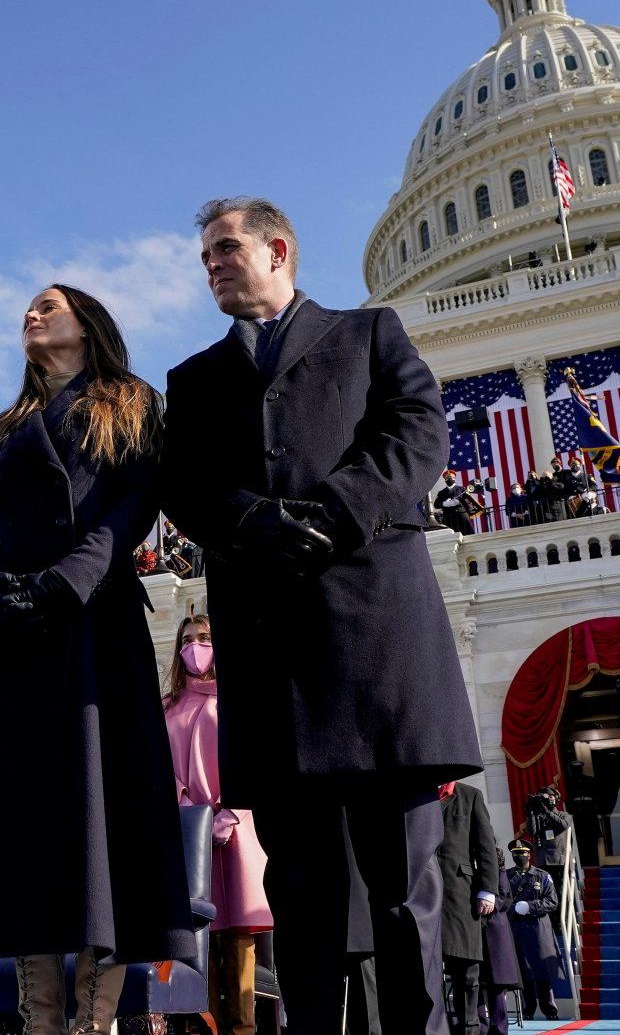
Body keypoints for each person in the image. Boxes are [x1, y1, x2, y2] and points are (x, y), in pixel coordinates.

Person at [160, 197, 482, 1034]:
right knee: (297, 894)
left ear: (278, 250)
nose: (213, 265)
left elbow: (416, 435)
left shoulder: (369, 333)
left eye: (226, 248)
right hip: (271, 661)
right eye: (205, 256)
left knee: (403, 888)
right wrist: (247, 522)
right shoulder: (192, 381)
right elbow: (183, 484)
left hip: (378, 646)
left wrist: (332, 511)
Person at [0, 284, 194, 1035]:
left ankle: (92, 1022)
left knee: (103, 825)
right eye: (27, 306)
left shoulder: (131, 401)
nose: (32, 313)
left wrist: (66, 583)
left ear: (86, 325)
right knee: (20, 827)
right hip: (10, 643)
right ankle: (39, 1017)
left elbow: (131, 506)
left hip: (93, 632)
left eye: (48, 305)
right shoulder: (7, 426)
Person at [162, 614, 270, 1035]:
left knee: (240, 939)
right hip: (187, 834)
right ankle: (199, 1022)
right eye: (188, 639)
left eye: (204, 638)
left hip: (236, 829)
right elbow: (158, 770)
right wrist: (189, 811)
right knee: (195, 936)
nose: (195, 646)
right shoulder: (167, 707)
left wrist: (229, 813)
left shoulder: (236, 700)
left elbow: (251, 762)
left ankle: (243, 1027)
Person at [436, 783, 516, 1035]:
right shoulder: (417, 794)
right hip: (422, 893)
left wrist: (488, 890)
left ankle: (470, 1026)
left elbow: (485, 849)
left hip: (461, 894)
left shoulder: (470, 796)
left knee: (466, 971)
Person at [503, 840, 559, 1020]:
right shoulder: (507, 876)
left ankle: (550, 1010)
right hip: (517, 928)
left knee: (542, 969)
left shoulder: (542, 876)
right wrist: (514, 908)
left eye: (523, 853)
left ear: (529, 854)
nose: (519, 856)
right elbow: (502, 901)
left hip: (538, 929)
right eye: (516, 853)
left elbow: (552, 901)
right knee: (523, 971)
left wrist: (530, 906)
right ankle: (528, 1010)